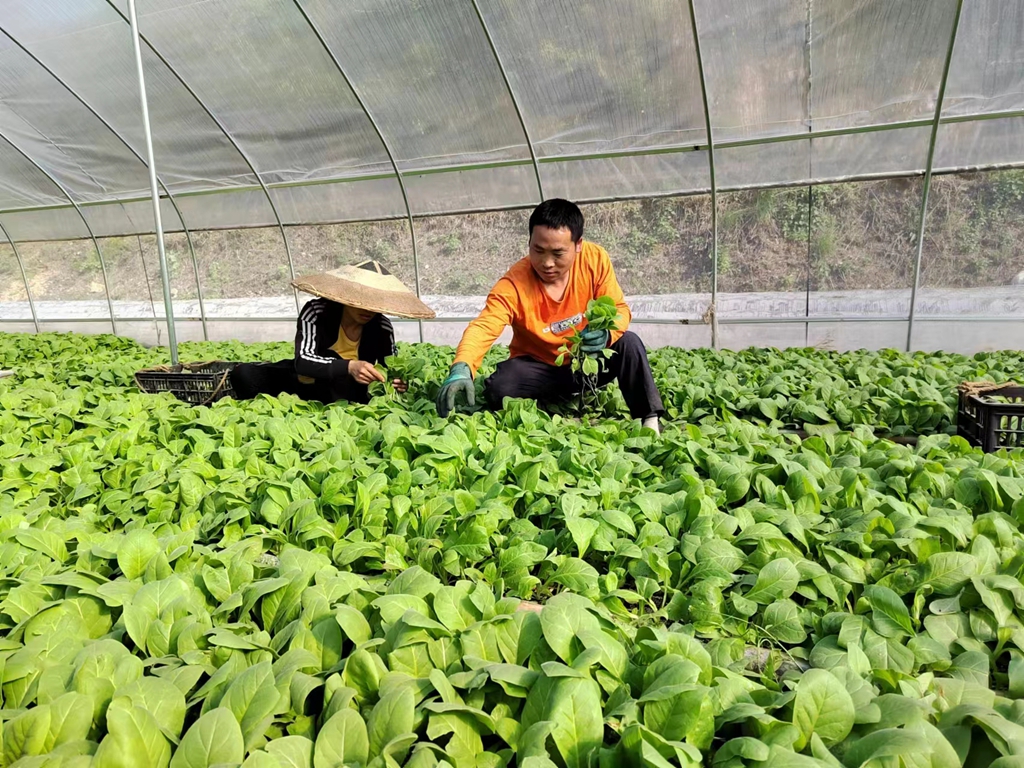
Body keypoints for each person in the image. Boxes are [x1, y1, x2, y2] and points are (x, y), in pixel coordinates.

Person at [435, 199, 665, 433]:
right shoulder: (514, 283)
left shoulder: (595, 260)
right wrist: (462, 367)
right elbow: (484, 326)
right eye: (538, 250)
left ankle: (649, 418)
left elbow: (619, 308)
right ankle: (549, 399)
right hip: (540, 368)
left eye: (558, 253)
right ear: (529, 242)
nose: (546, 263)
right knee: (500, 387)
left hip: (586, 363)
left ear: (578, 245)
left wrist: (607, 334)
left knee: (629, 342)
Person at [230, 260, 435, 404]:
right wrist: (349, 366)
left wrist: (396, 382)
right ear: (345, 296)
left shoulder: (382, 327)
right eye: (361, 302)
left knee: (346, 388)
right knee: (244, 375)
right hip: (306, 382)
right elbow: (303, 361)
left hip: (350, 392)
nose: (368, 310)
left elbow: (389, 368)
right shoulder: (317, 312)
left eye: (374, 304)